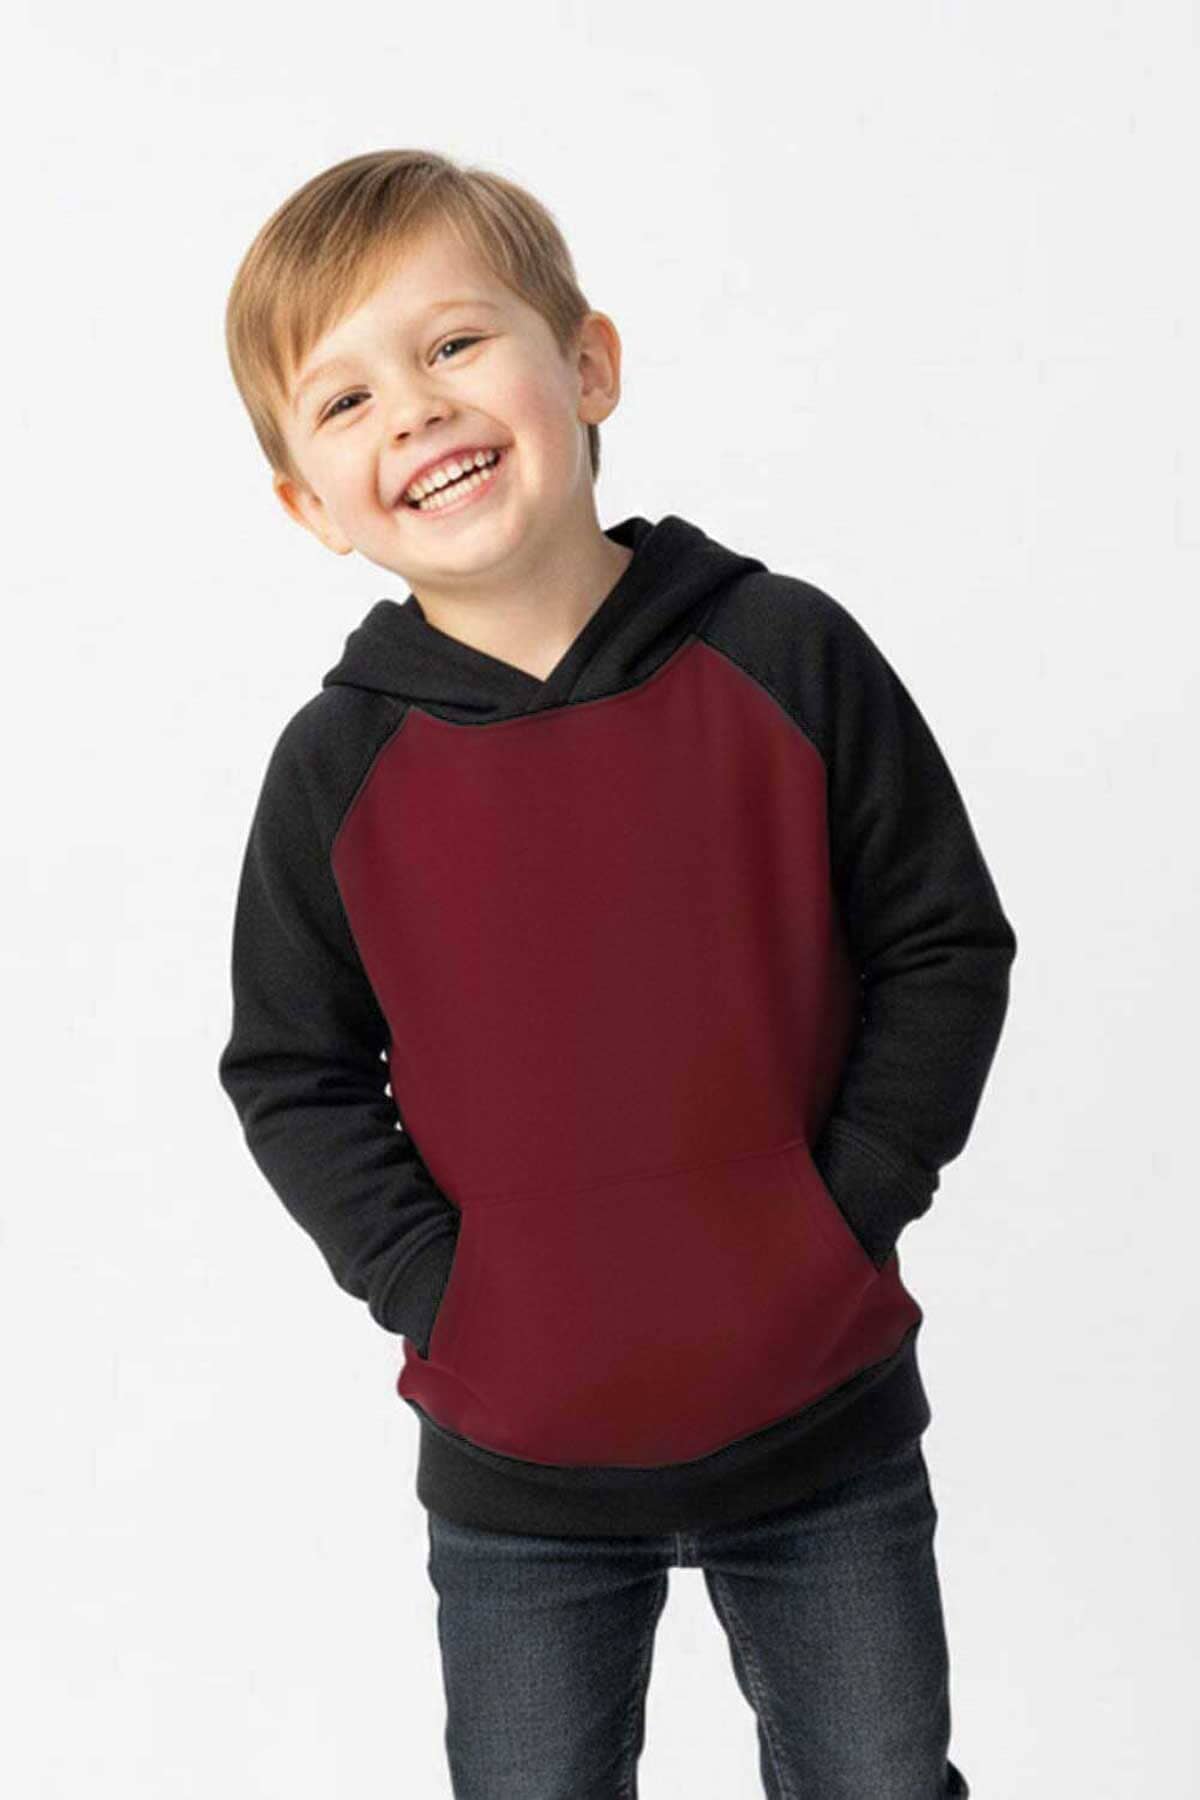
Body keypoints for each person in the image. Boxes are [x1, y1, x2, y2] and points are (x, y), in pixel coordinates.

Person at [217, 147, 1016, 1799]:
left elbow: (942, 941)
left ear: (587, 364)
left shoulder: (783, 653)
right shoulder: (333, 775)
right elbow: (293, 1072)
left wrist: (840, 1212)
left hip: (823, 1424)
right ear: (310, 506)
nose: (417, 411)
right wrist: (446, 1291)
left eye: (455, 344)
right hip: (520, 1477)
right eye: (348, 399)